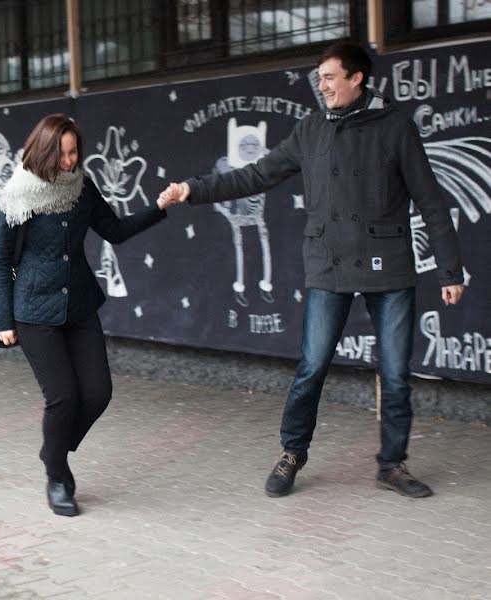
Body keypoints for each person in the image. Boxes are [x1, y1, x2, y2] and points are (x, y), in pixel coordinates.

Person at [159, 42, 464, 499]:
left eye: (329, 78)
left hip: (389, 267)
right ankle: (292, 453)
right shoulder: (310, 129)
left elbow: (431, 200)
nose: (321, 87)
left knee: (397, 374)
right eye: (318, 79)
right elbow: (255, 175)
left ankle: (392, 466)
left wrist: (450, 270)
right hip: (329, 265)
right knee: (312, 367)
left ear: (356, 78)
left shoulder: (396, 126)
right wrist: (193, 189)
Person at [0, 114, 182, 516]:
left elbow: (115, 230)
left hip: (79, 305)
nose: (69, 160)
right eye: (60, 153)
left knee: (97, 393)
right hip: (34, 311)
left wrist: (159, 208)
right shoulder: (19, 195)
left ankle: (52, 450)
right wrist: (5, 320)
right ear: (42, 152)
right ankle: (58, 477)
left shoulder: (83, 188)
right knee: (62, 397)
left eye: (74, 151)